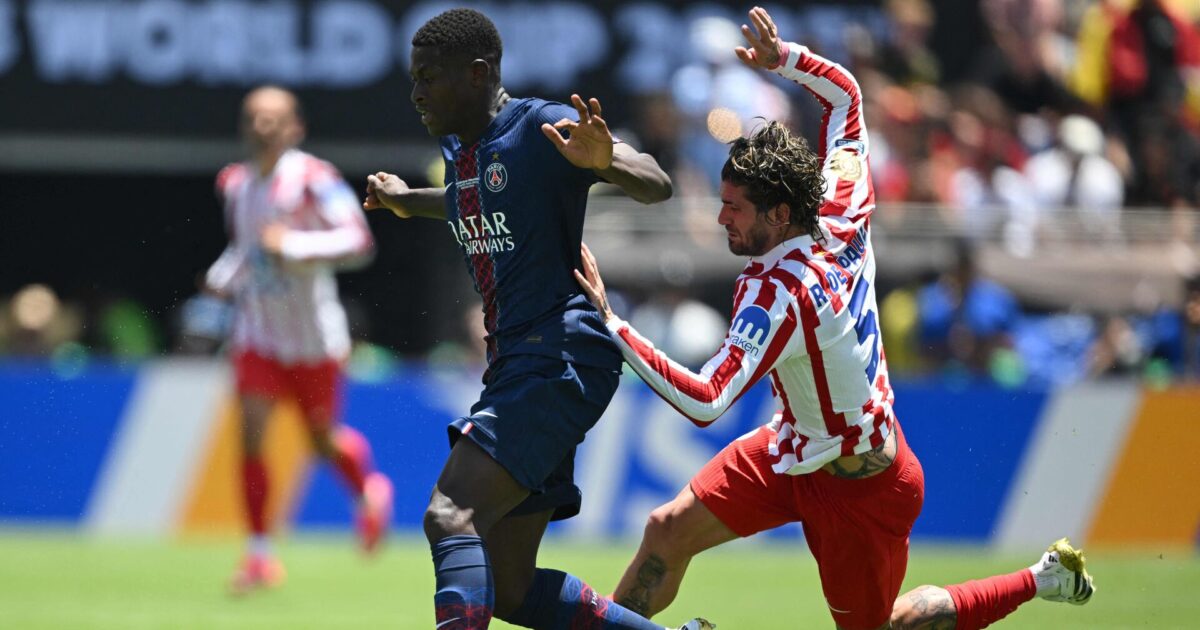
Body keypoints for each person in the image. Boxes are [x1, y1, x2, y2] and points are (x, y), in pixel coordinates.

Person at [574, 8, 1095, 630]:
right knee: (666, 530)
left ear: (779, 214)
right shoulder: (841, 205)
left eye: (734, 208)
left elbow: (710, 400)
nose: (721, 221)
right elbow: (846, 95)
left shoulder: (782, 293)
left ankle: (1040, 579)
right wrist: (786, 60)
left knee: (889, 627)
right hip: (795, 446)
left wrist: (612, 323)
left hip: (862, 489)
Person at [363, 8, 710, 630]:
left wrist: (609, 161)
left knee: (450, 515)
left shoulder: (542, 126)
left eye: (429, 78)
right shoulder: (460, 147)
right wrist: (404, 203)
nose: (416, 92)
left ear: (476, 74)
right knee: (511, 588)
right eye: (413, 78)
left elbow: (656, 183)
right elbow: (475, 199)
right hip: (523, 363)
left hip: (560, 351)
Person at [205, 85, 393, 595]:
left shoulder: (315, 180)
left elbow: (359, 240)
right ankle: (260, 554)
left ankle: (368, 491)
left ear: (295, 128)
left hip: (313, 340)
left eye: (274, 119)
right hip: (258, 336)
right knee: (250, 433)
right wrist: (222, 277)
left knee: (319, 440)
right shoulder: (237, 185)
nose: (262, 128)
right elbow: (246, 252)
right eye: (253, 119)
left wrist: (295, 244)